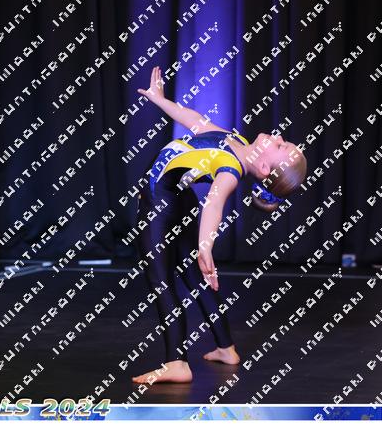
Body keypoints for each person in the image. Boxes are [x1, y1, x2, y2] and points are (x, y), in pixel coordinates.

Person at [130, 66, 307, 384]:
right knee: (192, 277)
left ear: (263, 166)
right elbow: (196, 122)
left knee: (161, 281)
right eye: (285, 141)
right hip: (177, 198)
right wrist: (161, 100)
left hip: (160, 203)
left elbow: (214, 203)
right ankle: (226, 348)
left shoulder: (230, 167)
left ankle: (176, 363)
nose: (279, 137)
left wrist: (205, 246)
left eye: (281, 147)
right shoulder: (236, 140)